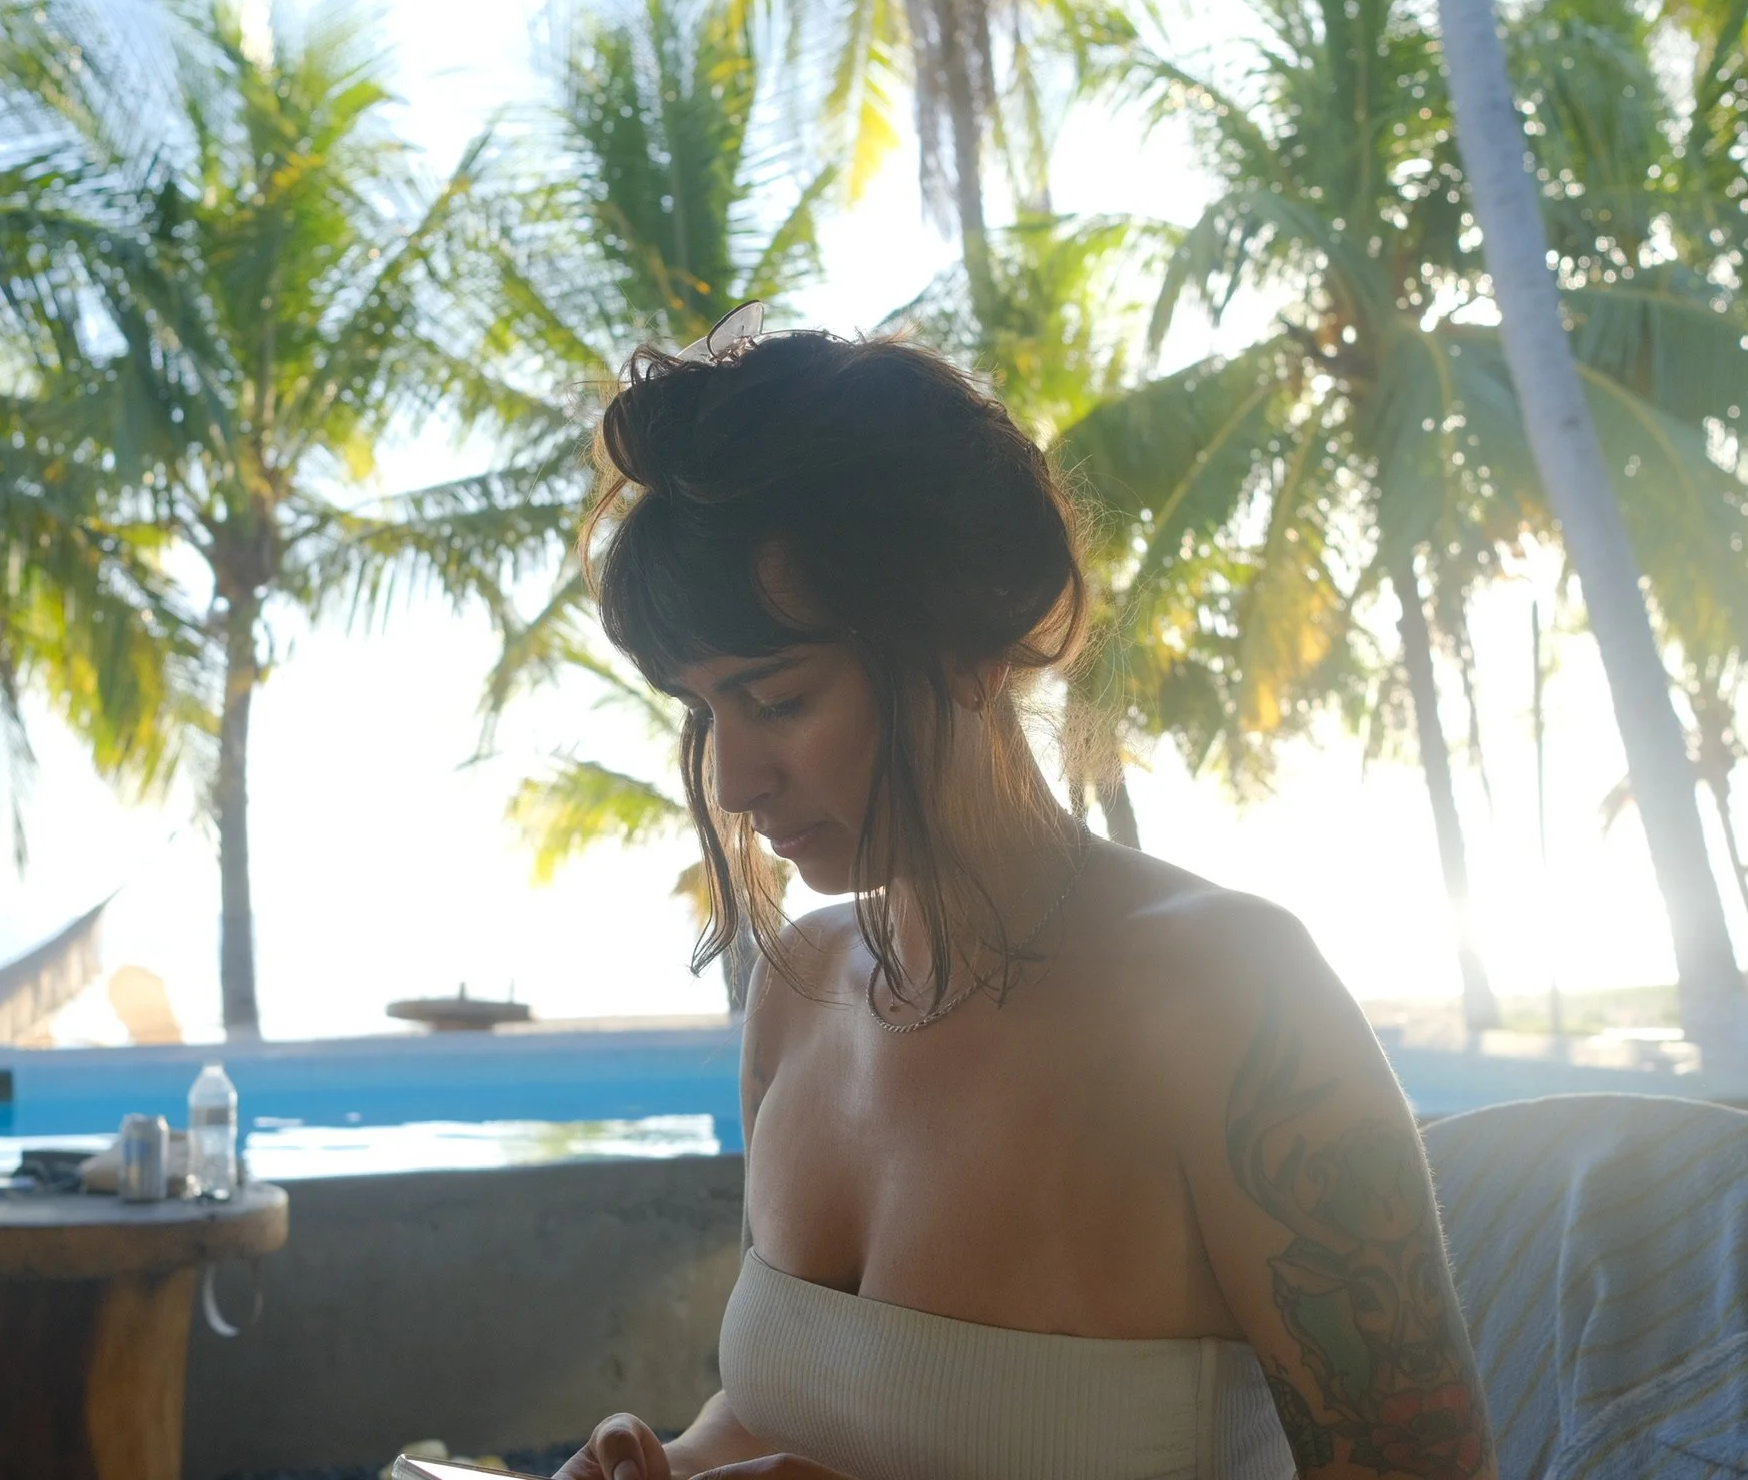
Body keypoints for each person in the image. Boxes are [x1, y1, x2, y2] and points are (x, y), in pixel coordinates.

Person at [555, 320, 1494, 1480]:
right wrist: (670, 1460)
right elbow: (792, 1411)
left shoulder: (1228, 997)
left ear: (969, 648)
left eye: (779, 700)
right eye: (705, 714)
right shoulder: (800, 996)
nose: (735, 782)